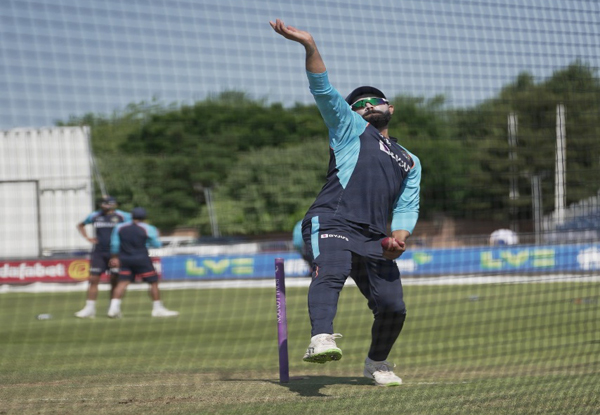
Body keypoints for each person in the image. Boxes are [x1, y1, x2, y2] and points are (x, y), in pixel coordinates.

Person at [270, 19, 422, 387]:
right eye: (359, 105)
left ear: (391, 108)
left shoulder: (410, 159)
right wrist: (309, 45)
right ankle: (321, 337)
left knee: (393, 307)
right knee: (333, 271)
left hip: (374, 237)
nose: (368, 106)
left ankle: (377, 363)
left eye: (375, 101)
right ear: (350, 114)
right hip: (333, 221)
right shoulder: (349, 129)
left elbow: (407, 205)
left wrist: (399, 238)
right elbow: (322, 89)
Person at [107, 207, 179, 318]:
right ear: (145, 217)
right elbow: (156, 245)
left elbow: (114, 245)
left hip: (125, 259)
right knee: (153, 282)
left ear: (132, 216)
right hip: (141, 258)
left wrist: (114, 257)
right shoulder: (148, 228)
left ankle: (113, 309)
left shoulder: (119, 227)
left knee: (122, 283)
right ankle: (157, 309)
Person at [74, 196, 131, 318]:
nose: (103, 205)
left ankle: (114, 308)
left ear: (113, 204)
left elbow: (132, 226)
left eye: (106, 203)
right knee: (94, 279)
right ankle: (90, 309)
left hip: (116, 253)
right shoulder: (94, 216)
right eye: (102, 203)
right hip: (99, 252)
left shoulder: (123, 216)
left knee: (115, 280)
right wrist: (88, 238)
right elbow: (80, 225)